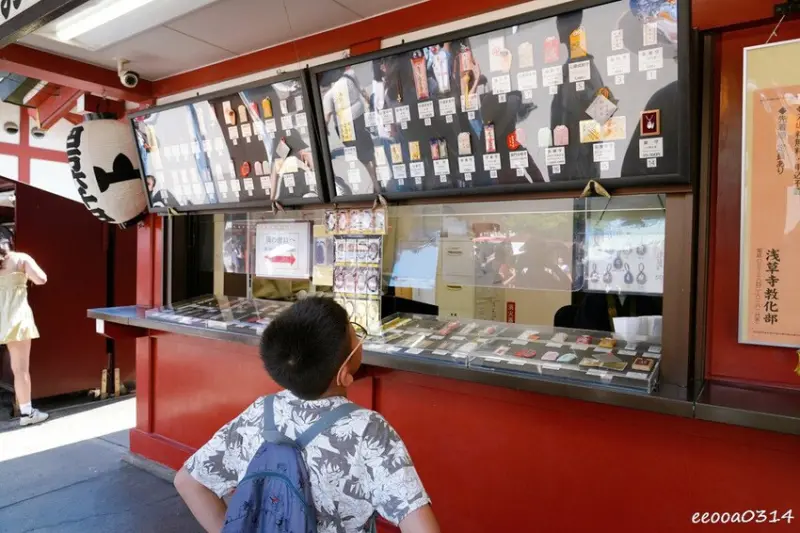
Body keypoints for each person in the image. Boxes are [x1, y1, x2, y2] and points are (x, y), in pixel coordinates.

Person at [174, 297, 440, 533]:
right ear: (344, 375)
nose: (358, 338)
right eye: (353, 333)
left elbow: (188, 482)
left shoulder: (261, 412)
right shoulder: (368, 431)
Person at [0, 235, 48, 426]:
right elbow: (41, 279)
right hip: (17, 320)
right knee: (20, 370)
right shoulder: (21, 258)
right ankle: (27, 414)